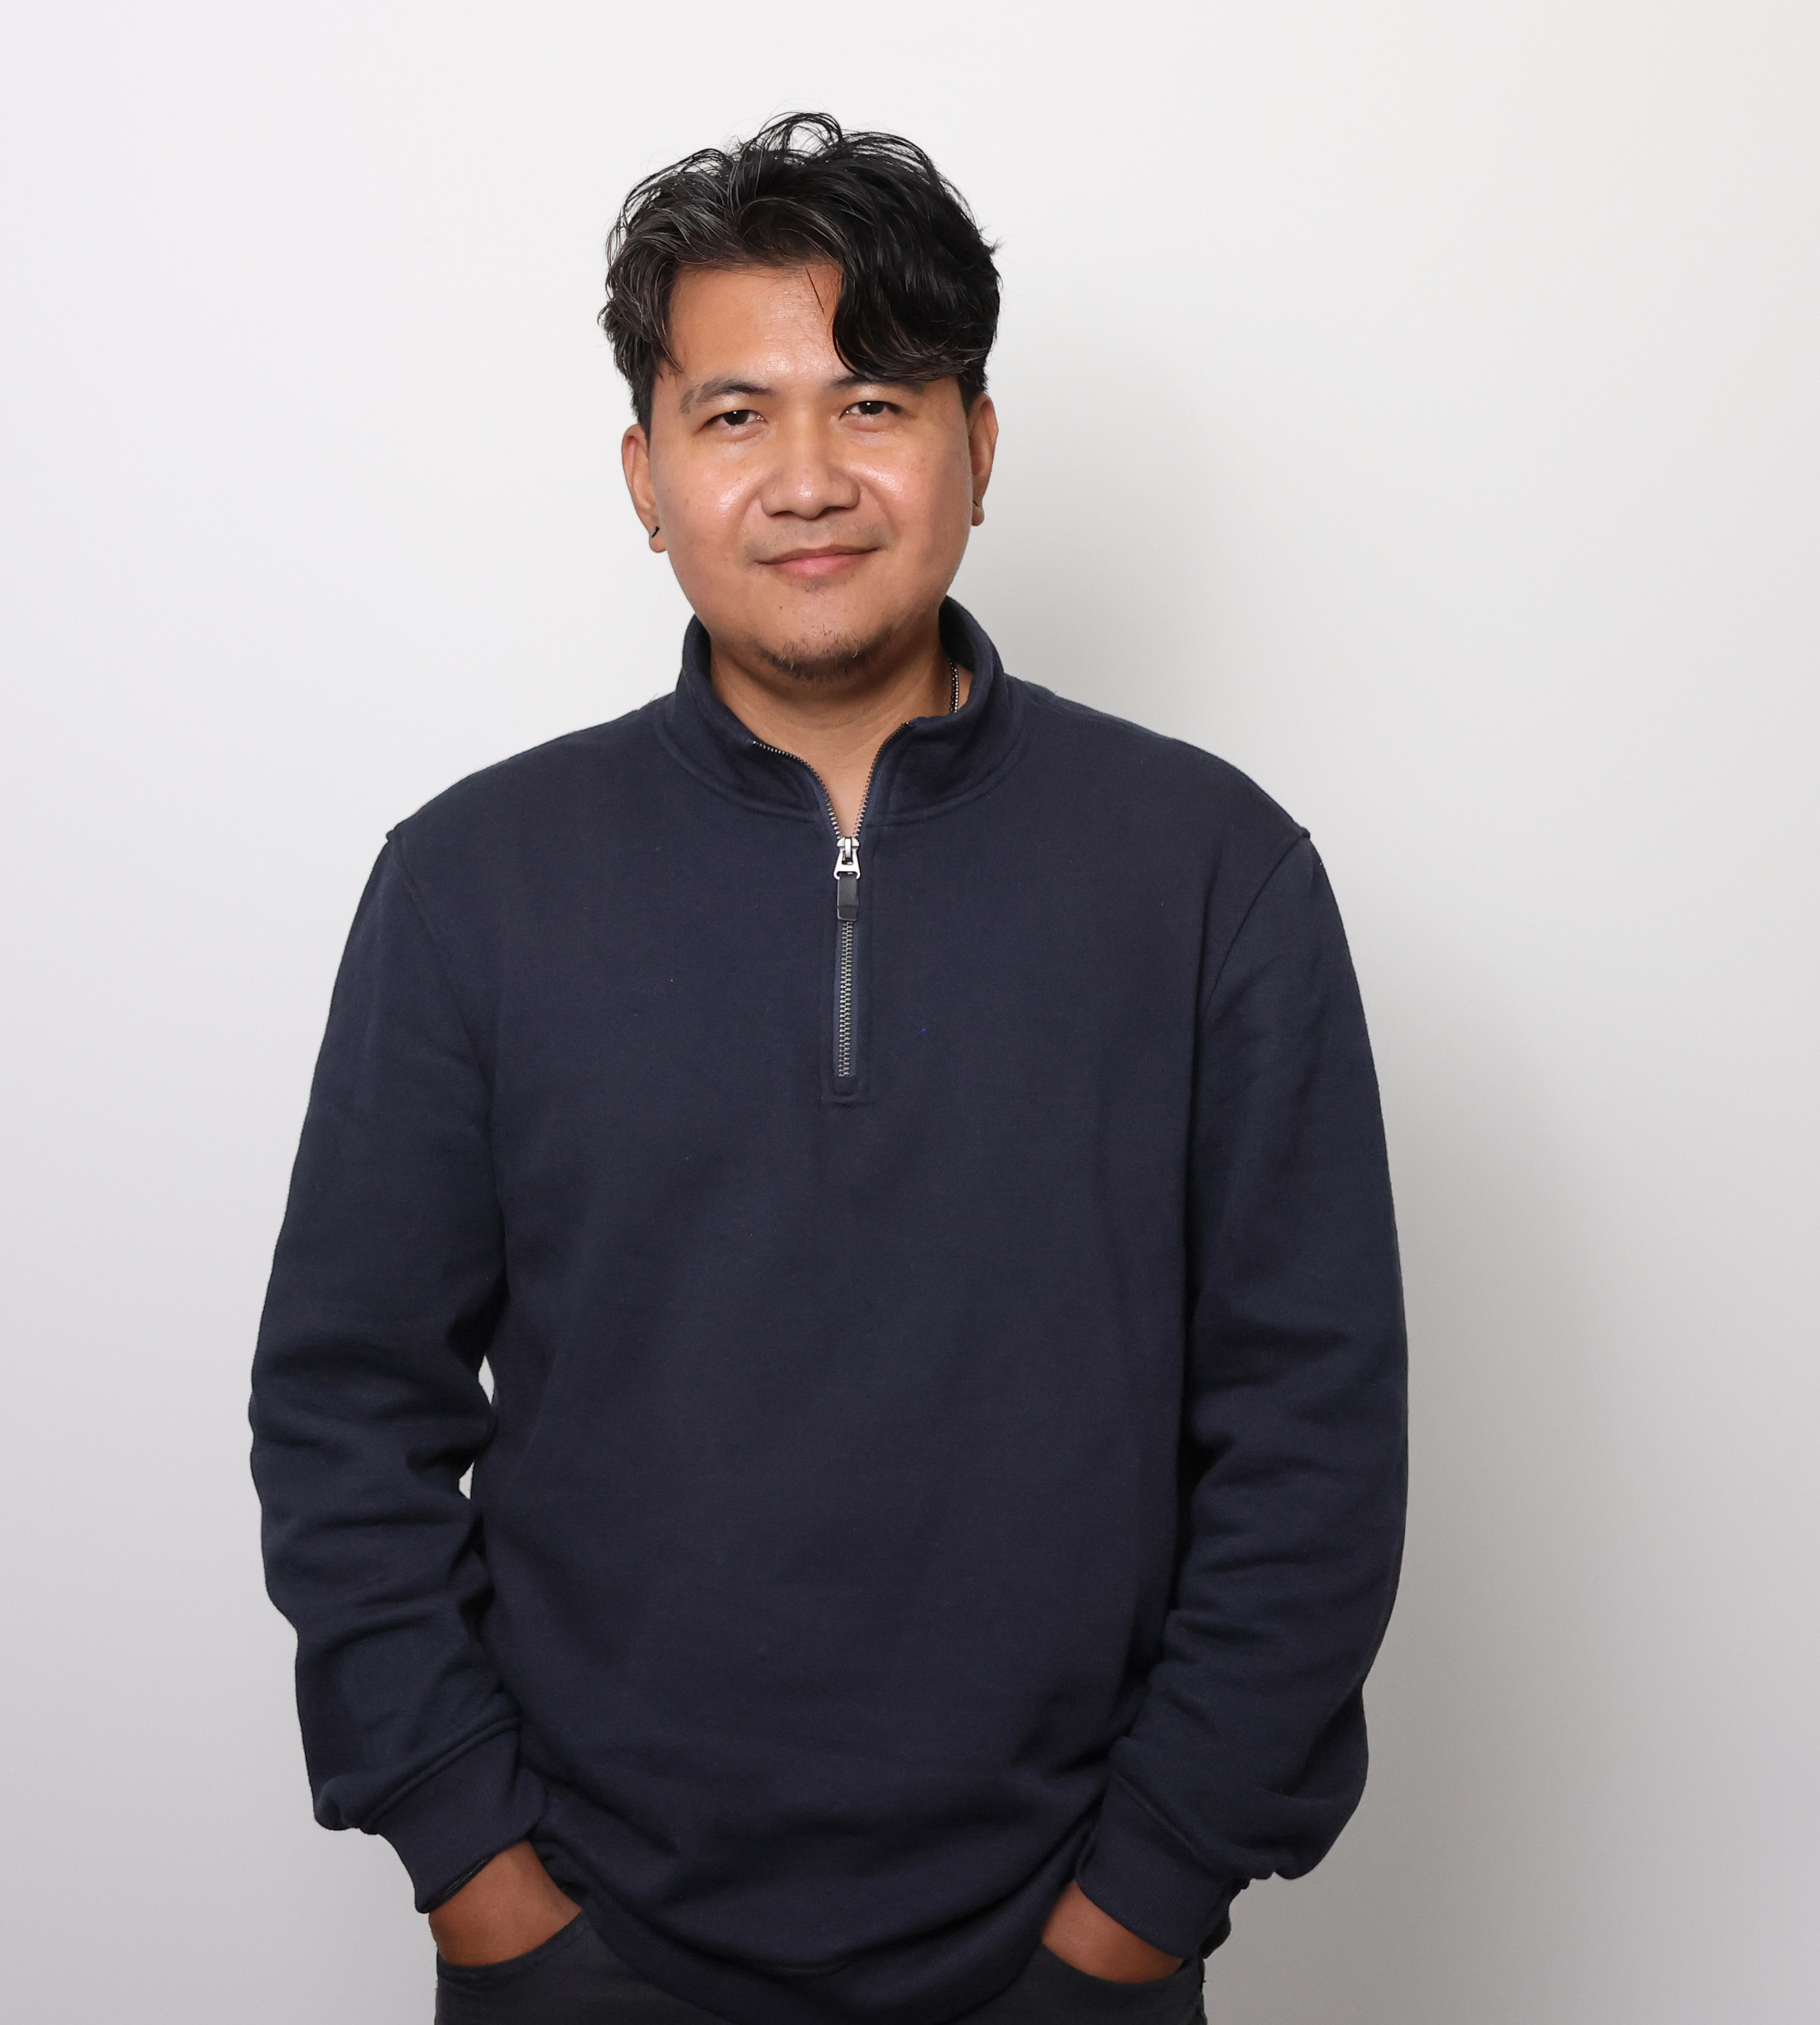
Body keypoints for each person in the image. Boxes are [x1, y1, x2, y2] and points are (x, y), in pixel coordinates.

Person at [248, 113, 1407, 2025]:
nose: (808, 479)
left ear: (978, 449)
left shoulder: (1213, 875)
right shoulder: (472, 883)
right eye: (736, 415)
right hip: (583, 1948)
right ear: (646, 475)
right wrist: (478, 1872)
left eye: (876, 404)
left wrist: (1145, 1900)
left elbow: (1313, 1434)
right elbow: (345, 1409)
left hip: (1072, 1954)